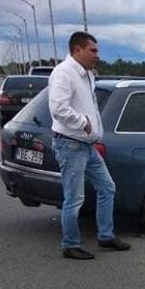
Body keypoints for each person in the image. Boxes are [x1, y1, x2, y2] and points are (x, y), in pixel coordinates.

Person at [48, 31, 131, 260]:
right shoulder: (64, 73)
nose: (97, 55)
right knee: (74, 198)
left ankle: (105, 235)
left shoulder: (86, 75)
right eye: (92, 50)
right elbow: (58, 108)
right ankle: (70, 244)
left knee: (107, 187)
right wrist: (82, 123)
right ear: (77, 50)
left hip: (87, 145)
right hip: (71, 144)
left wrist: (93, 130)